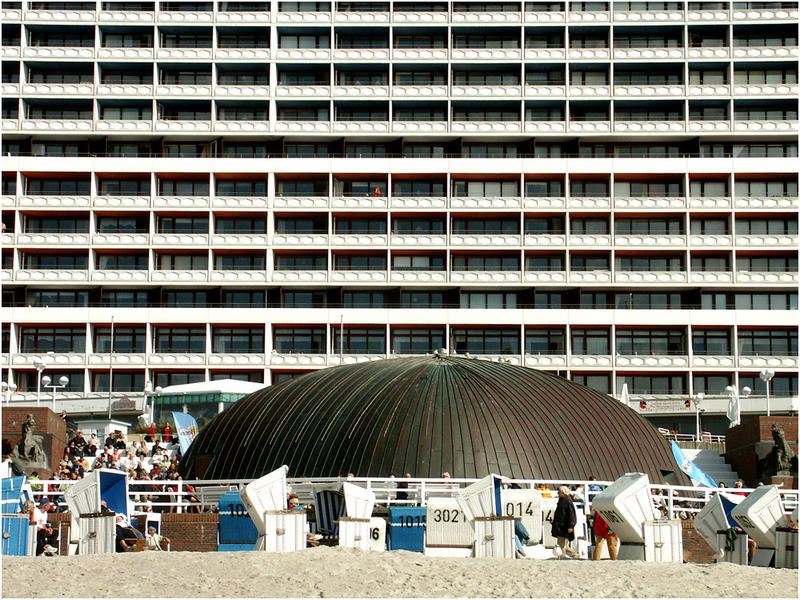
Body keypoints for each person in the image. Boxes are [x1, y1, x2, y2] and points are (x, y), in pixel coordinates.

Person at [552, 485, 578, 559]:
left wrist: (571, 526)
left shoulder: (567, 501)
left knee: (561, 544)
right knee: (564, 545)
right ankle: (575, 555)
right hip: (561, 526)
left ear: (563, 492)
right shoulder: (562, 500)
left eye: (559, 492)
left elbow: (572, 515)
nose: (557, 493)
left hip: (564, 526)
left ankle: (562, 557)